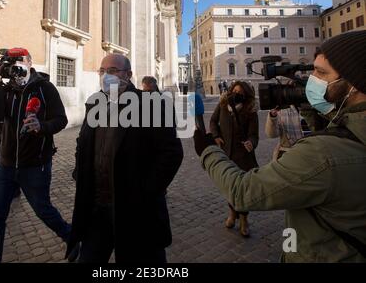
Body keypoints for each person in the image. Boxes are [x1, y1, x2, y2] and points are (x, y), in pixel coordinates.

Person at [194, 30, 366, 262]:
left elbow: (243, 191)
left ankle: (241, 220)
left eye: (321, 72)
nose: (311, 78)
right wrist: (311, 107)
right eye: (310, 70)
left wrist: (207, 151)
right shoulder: (346, 134)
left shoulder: (322, 154)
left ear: (354, 84)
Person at [66, 54, 183, 263]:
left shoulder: (151, 104)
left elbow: (171, 153)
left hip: (136, 213)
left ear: (128, 75)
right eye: (102, 71)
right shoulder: (95, 104)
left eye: (112, 71)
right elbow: (82, 143)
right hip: (97, 209)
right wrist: (80, 172)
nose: (105, 76)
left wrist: (146, 192)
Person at [0, 48, 73, 263]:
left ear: (29, 62)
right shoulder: (4, 89)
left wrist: (41, 126)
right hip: (4, 166)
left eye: (18, 61)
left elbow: (61, 120)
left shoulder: (44, 88)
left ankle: (71, 237)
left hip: (34, 165)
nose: (14, 66)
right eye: (10, 62)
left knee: (44, 210)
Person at [209, 81, 259, 237]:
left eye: (240, 92)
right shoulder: (223, 104)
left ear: (245, 95)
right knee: (230, 187)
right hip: (226, 153)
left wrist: (251, 142)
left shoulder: (250, 110)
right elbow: (213, 121)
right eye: (234, 90)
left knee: (242, 189)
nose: (236, 94)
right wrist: (216, 136)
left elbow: (254, 134)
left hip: (243, 155)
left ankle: (244, 219)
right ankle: (232, 213)